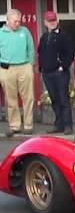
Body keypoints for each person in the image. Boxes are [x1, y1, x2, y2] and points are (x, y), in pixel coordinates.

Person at [37, 11, 75, 135]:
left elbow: (70, 53)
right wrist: (41, 67)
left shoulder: (64, 36)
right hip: (47, 73)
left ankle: (68, 125)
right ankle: (59, 124)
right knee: (54, 100)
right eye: (50, 21)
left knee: (64, 99)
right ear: (45, 22)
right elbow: (40, 53)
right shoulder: (44, 37)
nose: (52, 23)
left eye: (54, 20)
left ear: (57, 21)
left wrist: (63, 66)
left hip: (60, 73)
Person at [0, 9, 35, 137]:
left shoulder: (24, 31)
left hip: (24, 66)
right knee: (11, 99)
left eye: (19, 21)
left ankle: (28, 125)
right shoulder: (0, 33)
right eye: (15, 21)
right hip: (7, 68)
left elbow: (30, 48)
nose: (17, 23)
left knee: (28, 97)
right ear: (8, 20)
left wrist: (30, 64)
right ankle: (14, 126)